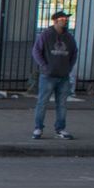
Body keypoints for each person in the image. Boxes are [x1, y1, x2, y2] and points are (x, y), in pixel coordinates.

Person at [30, 9, 78, 140]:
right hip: (48, 75)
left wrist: (69, 67)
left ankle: (60, 128)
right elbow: (36, 51)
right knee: (42, 102)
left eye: (66, 19)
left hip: (63, 75)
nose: (65, 21)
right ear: (55, 21)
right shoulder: (46, 35)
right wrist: (44, 66)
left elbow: (74, 52)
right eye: (62, 19)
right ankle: (38, 127)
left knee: (62, 103)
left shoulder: (69, 37)